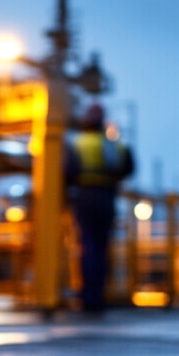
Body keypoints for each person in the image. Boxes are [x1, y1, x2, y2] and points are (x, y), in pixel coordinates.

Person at [66, 103, 134, 313]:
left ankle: (88, 297)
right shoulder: (113, 145)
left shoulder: (78, 143)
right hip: (106, 197)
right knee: (102, 248)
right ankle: (99, 296)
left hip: (85, 196)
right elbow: (128, 167)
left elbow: (68, 171)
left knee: (87, 246)